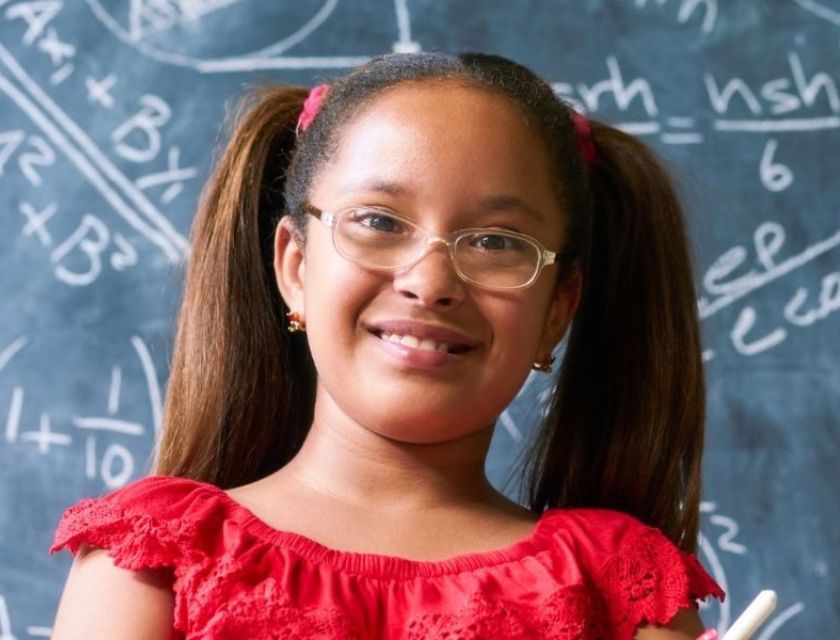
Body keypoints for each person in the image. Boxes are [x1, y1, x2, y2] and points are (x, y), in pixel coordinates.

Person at [49, 52, 724, 639]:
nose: (431, 283)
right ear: (295, 267)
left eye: (495, 241)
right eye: (377, 221)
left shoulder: (622, 588)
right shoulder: (153, 563)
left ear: (556, 311)